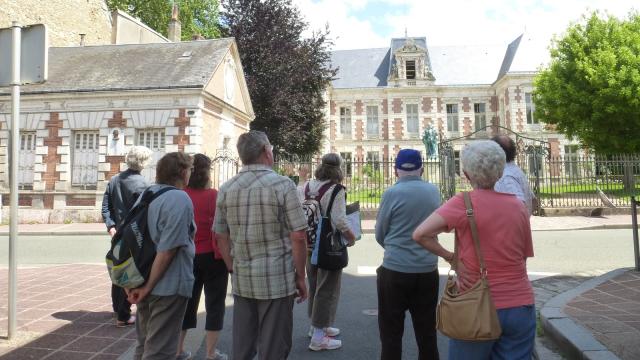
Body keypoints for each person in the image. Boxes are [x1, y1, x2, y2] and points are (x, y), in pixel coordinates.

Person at [412, 141, 535, 360]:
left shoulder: (463, 203)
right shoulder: (518, 207)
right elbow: (523, 256)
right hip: (520, 304)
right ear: (500, 173)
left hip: (476, 303)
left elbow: (420, 234)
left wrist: (452, 258)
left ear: (467, 175)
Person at [214, 130, 308, 360]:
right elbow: (298, 235)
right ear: (266, 152)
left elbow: (220, 235)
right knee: (274, 346)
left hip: (243, 277)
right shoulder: (283, 185)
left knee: (243, 345)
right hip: (277, 278)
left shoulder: (226, 188)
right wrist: (300, 275)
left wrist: (231, 267)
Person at [127, 152, 196, 360]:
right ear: (183, 172)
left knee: (144, 343)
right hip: (168, 285)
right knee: (160, 350)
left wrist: (134, 285)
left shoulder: (147, 194)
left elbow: (128, 238)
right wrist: (148, 287)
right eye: (190, 170)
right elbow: (168, 250)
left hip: (141, 278)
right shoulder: (179, 198)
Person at [375, 149, 441, 360]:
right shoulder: (433, 191)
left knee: (391, 333)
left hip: (395, 269)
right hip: (427, 268)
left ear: (396, 170)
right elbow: (438, 227)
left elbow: (380, 233)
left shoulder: (391, 193)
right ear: (421, 168)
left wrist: (396, 248)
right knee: (427, 332)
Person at [176, 154, 228, 360]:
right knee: (215, 304)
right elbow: (222, 227)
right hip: (213, 256)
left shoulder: (182, 194)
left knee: (187, 303)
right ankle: (210, 353)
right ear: (208, 173)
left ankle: (178, 350)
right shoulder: (214, 195)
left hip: (188, 255)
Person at [302, 153, 356, 351]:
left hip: (309, 243)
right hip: (327, 246)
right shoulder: (336, 189)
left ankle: (316, 326)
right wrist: (351, 237)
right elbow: (340, 220)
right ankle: (318, 336)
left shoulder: (307, 186)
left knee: (316, 285)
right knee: (328, 289)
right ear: (338, 168)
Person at [101, 145, 153, 327]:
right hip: (136, 236)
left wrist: (111, 226)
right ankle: (124, 313)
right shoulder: (145, 186)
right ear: (144, 162)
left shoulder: (114, 180)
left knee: (119, 269)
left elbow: (106, 207)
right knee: (134, 271)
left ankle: (119, 310)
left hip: (118, 234)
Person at [491, 135, 535, 215]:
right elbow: (533, 200)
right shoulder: (515, 170)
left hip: (509, 227)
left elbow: (518, 206)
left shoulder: (505, 176)